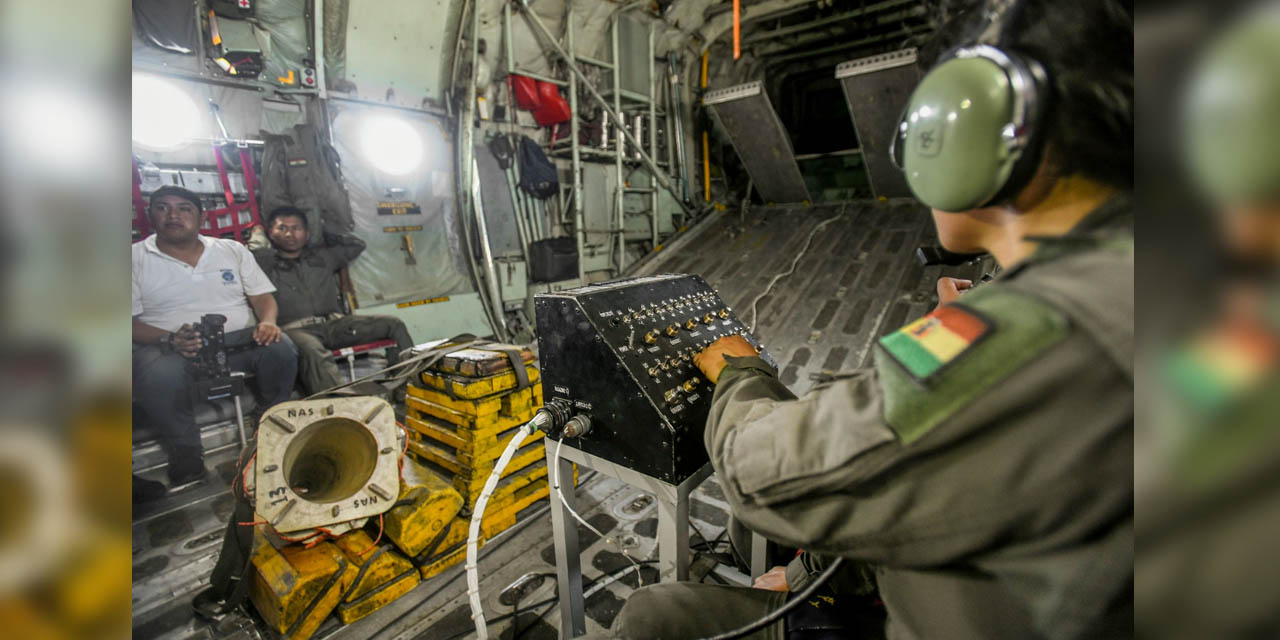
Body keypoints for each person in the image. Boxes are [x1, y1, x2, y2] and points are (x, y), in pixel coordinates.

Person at [609, 1, 1133, 638]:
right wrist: (807, 578)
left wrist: (741, 372)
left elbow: (759, 469)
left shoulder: (1040, 331)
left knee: (651, 616)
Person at [132, 186, 297, 490]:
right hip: (172, 346)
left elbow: (262, 297)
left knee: (281, 348)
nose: (173, 215)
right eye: (163, 208)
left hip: (235, 339)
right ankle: (186, 454)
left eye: (184, 208)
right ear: (150, 214)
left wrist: (269, 322)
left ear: (201, 217)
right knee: (158, 374)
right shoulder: (134, 258)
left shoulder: (231, 250)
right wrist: (169, 339)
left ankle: (269, 430)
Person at [250, 206, 414, 396]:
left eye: (296, 228)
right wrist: (259, 234)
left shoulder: (322, 257)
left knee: (394, 325)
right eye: (282, 228)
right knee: (314, 352)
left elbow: (356, 244)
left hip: (334, 324)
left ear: (307, 232)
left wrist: (326, 227)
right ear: (271, 232)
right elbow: (251, 255)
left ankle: (406, 388)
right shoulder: (265, 263)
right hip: (295, 331)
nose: (290, 234)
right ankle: (338, 409)